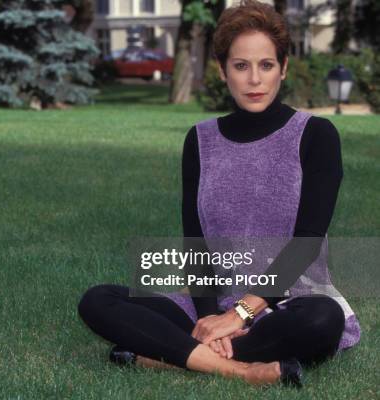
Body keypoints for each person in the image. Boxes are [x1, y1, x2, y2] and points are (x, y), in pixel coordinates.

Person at [77, 0, 361, 387]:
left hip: (288, 302)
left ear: (284, 68)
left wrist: (239, 316)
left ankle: (163, 356)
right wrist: (208, 319)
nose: (254, 79)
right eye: (241, 66)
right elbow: (195, 242)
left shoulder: (316, 135)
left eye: (266, 65)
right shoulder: (200, 140)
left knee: (321, 319)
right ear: (224, 70)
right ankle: (241, 369)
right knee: (99, 299)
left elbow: (307, 242)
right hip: (209, 305)